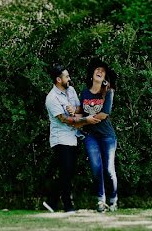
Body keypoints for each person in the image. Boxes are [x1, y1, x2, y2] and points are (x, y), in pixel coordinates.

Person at [43, 64, 100, 213]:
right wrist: (86, 120)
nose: (69, 78)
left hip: (74, 137)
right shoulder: (51, 98)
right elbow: (64, 119)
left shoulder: (71, 90)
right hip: (60, 139)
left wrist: (75, 111)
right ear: (58, 79)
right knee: (66, 171)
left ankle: (51, 202)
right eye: (66, 76)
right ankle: (68, 205)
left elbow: (79, 109)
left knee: (67, 172)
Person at [80, 58, 119, 212]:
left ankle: (113, 200)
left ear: (105, 77)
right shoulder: (84, 91)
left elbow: (104, 114)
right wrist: (74, 114)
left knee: (109, 169)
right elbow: (81, 110)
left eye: (103, 71)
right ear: (92, 73)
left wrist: (86, 119)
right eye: (97, 69)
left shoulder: (108, 92)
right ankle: (100, 201)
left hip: (107, 136)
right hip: (91, 136)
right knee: (96, 167)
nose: (100, 71)